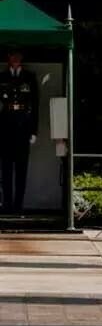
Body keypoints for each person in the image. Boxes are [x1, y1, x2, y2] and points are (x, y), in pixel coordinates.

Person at [0, 48, 39, 213]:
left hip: (23, 127)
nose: (15, 58)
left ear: (21, 58)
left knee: (22, 169)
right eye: (12, 55)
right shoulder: (1, 77)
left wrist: (34, 131)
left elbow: (35, 105)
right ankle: (7, 205)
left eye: (18, 55)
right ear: (8, 58)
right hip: (5, 127)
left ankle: (18, 206)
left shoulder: (29, 77)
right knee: (6, 169)